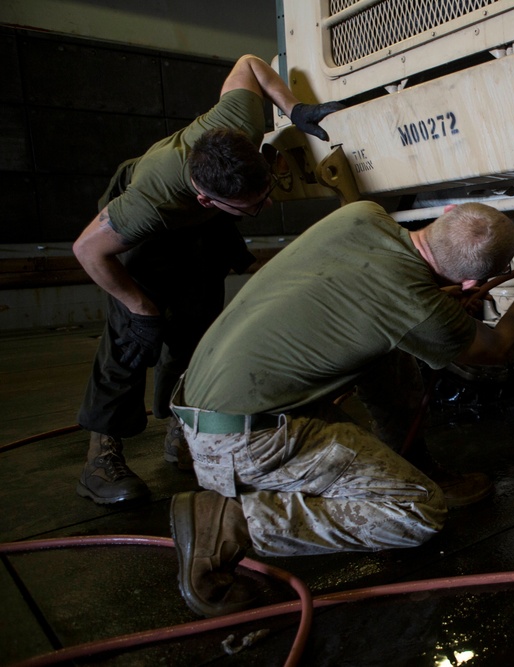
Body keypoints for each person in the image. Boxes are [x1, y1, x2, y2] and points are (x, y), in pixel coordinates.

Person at [167, 200, 514, 617]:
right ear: (473, 281)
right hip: (242, 441)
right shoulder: (419, 306)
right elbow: (495, 349)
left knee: (392, 351)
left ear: (446, 215)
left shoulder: (362, 215)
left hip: (205, 397)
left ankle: (413, 461)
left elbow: (370, 286)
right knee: (418, 512)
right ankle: (231, 522)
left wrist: (433, 305)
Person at [73, 54, 342, 505]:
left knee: (199, 330)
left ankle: (182, 433)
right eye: (250, 208)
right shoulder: (148, 204)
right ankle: (101, 454)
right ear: (204, 198)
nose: (262, 211)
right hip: (138, 235)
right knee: (130, 339)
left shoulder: (239, 121)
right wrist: (141, 308)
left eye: (263, 199)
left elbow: (250, 63)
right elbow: (87, 249)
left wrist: (293, 109)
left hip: (202, 220)